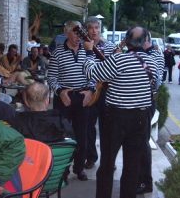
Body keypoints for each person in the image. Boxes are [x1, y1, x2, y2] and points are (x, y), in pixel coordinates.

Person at [83, 26, 157, 198]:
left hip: (115, 118)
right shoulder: (153, 63)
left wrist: (88, 53)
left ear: (126, 41)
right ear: (145, 41)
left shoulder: (118, 60)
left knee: (107, 164)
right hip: (141, 118)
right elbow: (154, 86)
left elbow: (91, 72)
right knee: (132, 166)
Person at [47, 20, 95, 181]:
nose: (78, 36)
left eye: (80, 32)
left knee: (82, 136)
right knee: (63, 136)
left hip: (83, 97)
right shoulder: (57, 52)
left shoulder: (88, 50)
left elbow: (94, 74)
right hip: (64, 98)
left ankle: (79, 168)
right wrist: (60, 92)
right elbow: (52, 77)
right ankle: (63, 170)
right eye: (75, 32)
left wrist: (90, 91)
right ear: (67, 33)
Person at [84, 16, 117, 170]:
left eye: (96, 28)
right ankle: (90, 157)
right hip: (89, 91)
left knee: (108, 128)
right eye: (91, 28)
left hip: (106, 92)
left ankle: (108, 160)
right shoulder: (83, 46)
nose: (94, 31)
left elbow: (115, 69)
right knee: (88, 127)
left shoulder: (110, 47)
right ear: (86, 30)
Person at [137, 30, 164, 195]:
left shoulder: (153, 56)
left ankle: (145, 181)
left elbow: (153, 82)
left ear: (145, 41)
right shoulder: (148, 53)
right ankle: (141, 179)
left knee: (142, 142)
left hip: (146, 103)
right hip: (144, 102)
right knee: (139, 142)